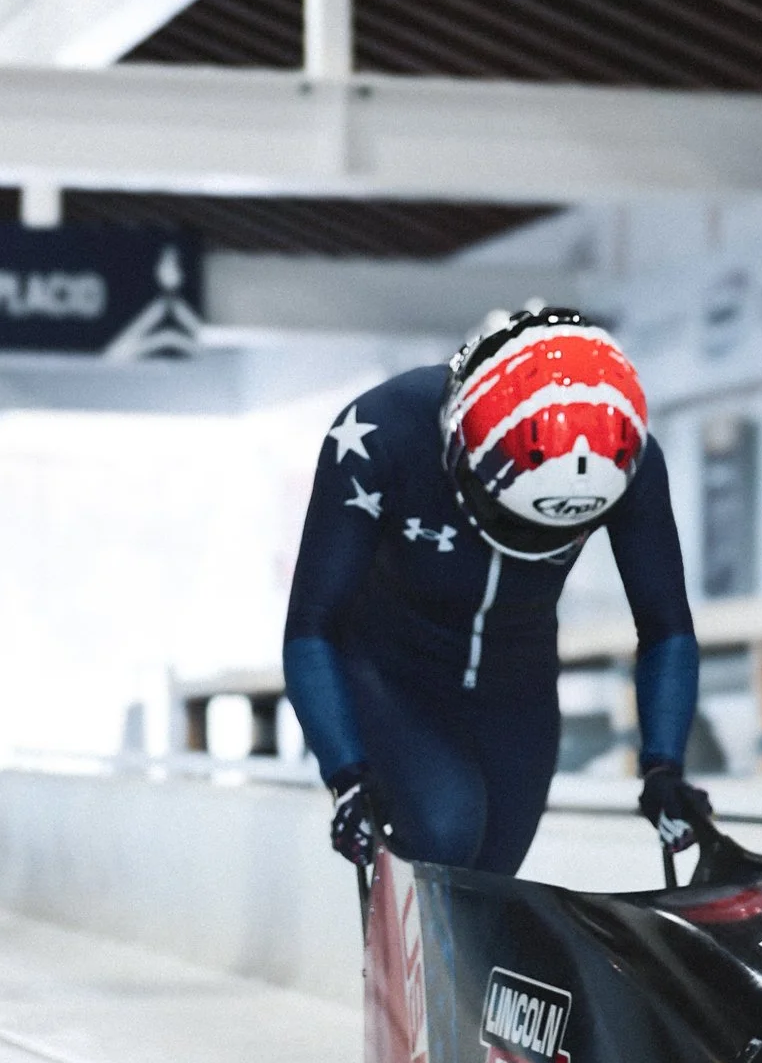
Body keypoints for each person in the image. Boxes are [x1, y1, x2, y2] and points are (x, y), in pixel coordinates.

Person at [284, 306, 702, 878]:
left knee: (491, 880)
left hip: (516, 686)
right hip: (393, 678)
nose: (530, 543)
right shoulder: (378, 434)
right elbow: (312, 626)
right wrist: (347, 774)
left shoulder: (628, 455)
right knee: (447, 831)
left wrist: (663, 768)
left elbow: (665, 626)